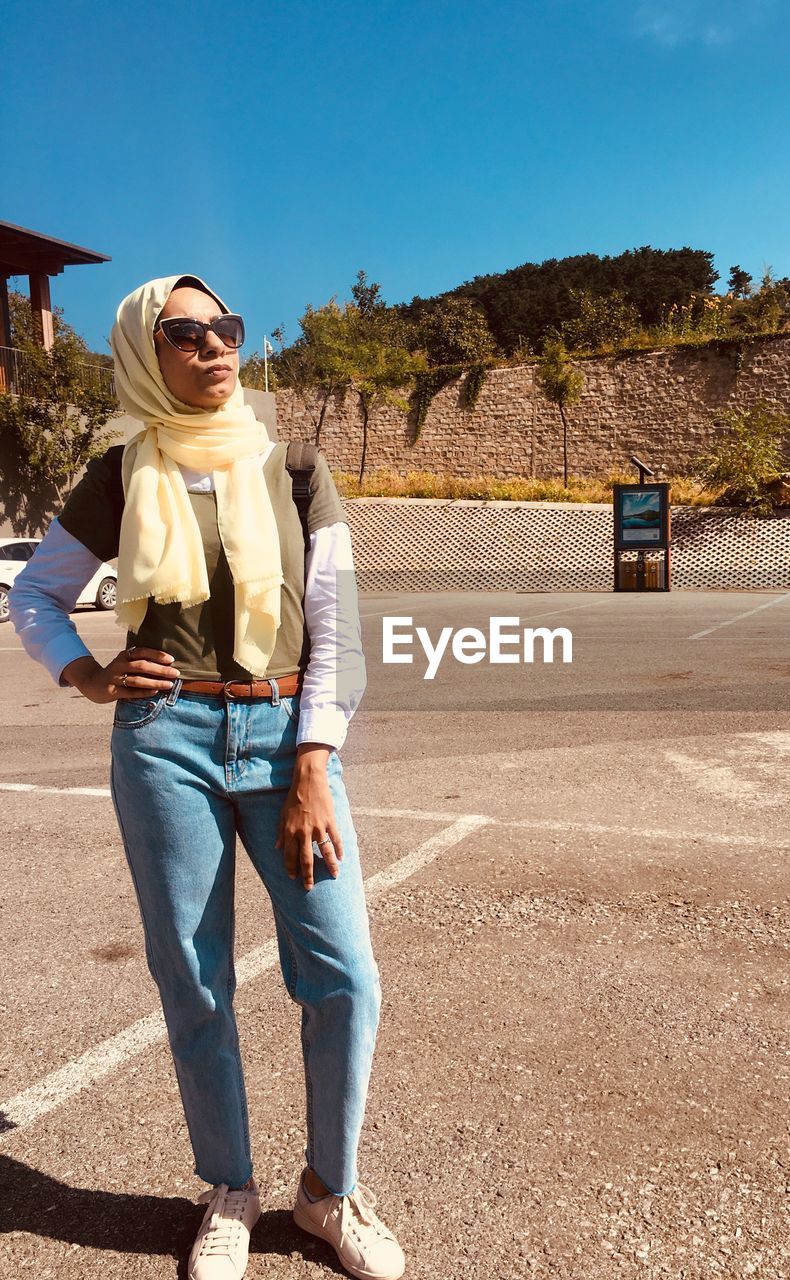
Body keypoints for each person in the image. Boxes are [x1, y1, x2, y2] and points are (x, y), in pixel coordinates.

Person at [10, 274, 405, 1280]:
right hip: (162, 737)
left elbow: (338, 633)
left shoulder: (295, 462)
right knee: (194, 977)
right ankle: (228, 1187)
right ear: (148, 349)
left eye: (222, 326)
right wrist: (90, 671)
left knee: (344, 973)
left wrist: (314, 763)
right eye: (183, 333)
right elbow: (37, 594)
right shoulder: (120, 470)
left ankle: (330, 1193)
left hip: (287, 737)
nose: (212, 345)